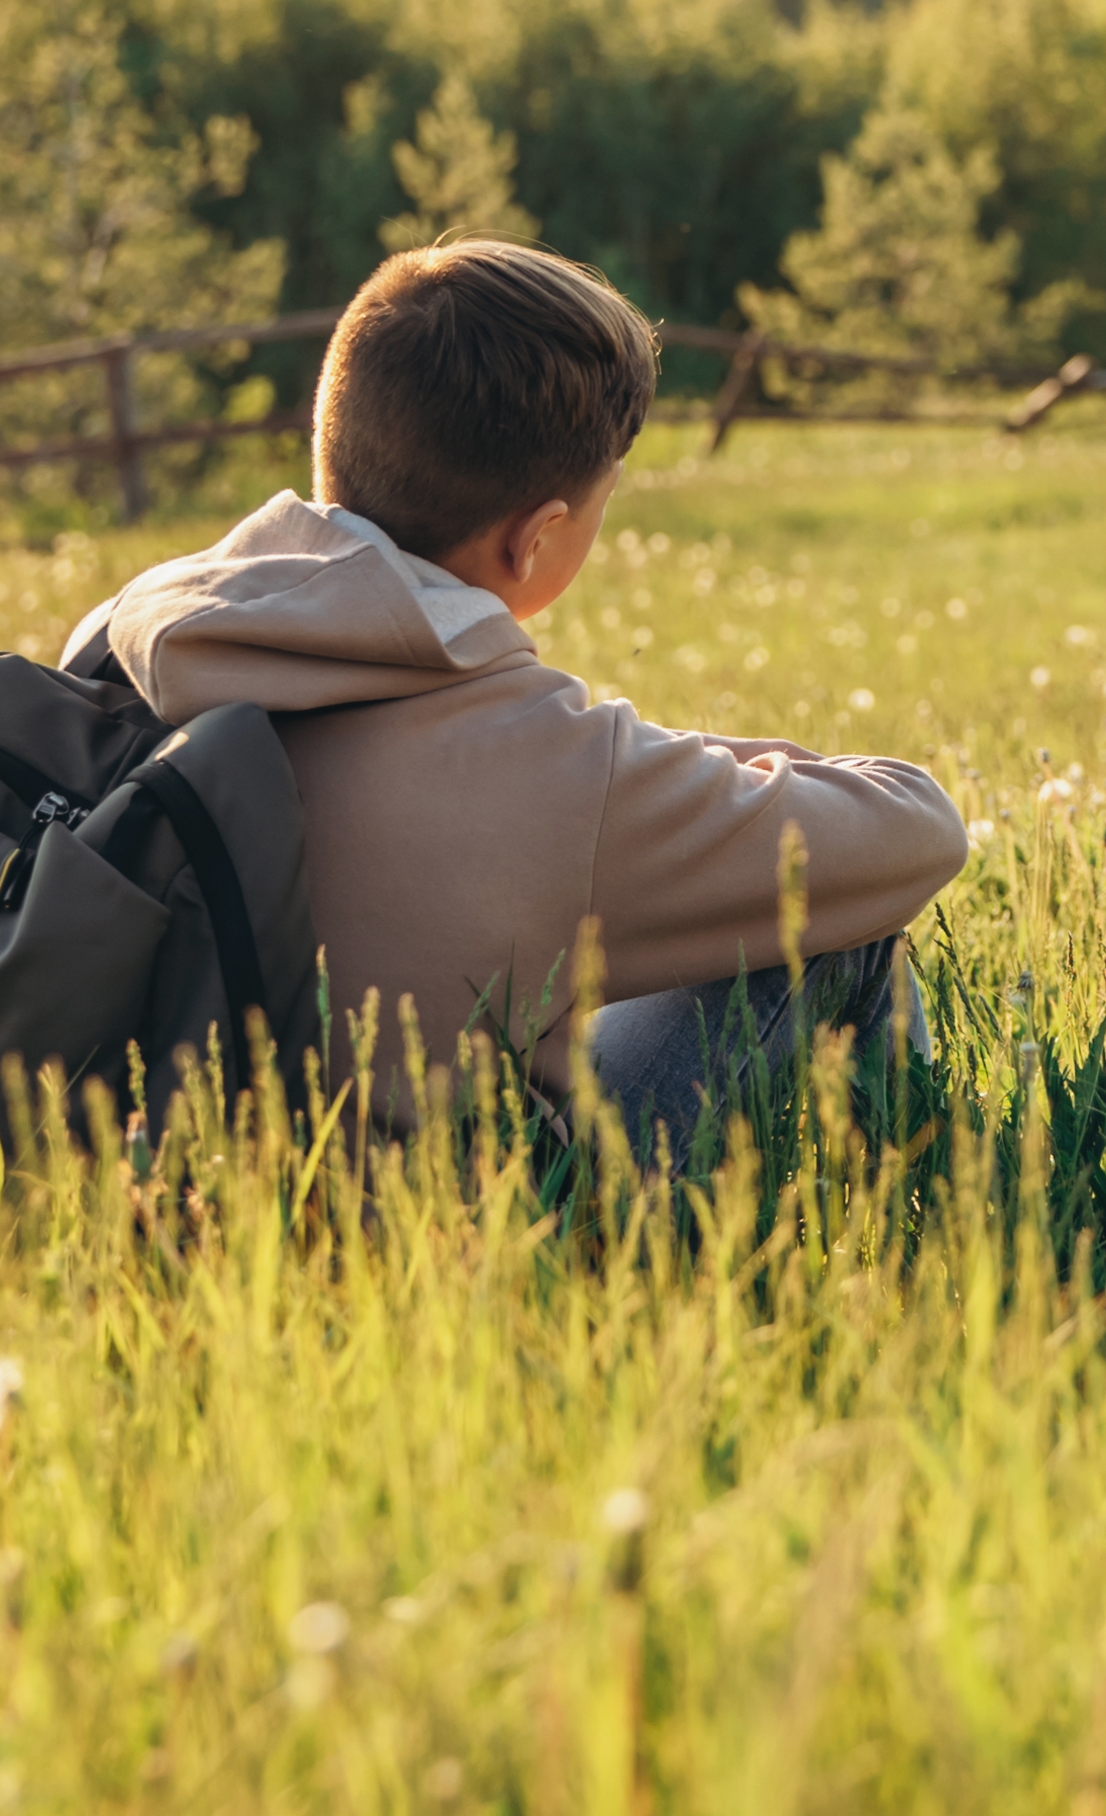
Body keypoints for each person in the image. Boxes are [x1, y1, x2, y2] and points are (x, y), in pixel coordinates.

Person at [70, 237, 959, 1158]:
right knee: (840, 931)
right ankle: (941, 1197)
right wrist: (690, 761)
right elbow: (917, 829)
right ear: (536, 541)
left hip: (118, 1193)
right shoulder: (552, 767)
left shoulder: (124, 637)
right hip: (444, 1243)